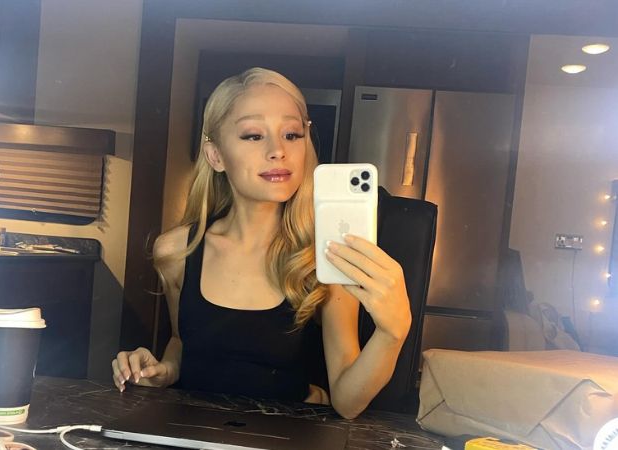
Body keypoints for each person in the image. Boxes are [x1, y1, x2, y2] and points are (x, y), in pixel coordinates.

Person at [112, 67, 411, 419]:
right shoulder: (177, 252)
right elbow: (182, 342)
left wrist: (393, 332)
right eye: (254, 135)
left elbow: (347, 401)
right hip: (194, 434)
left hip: (286, 437)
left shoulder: (325, 258)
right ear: (215, 155)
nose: (278, 150)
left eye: (292, 134)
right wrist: (163, 370)